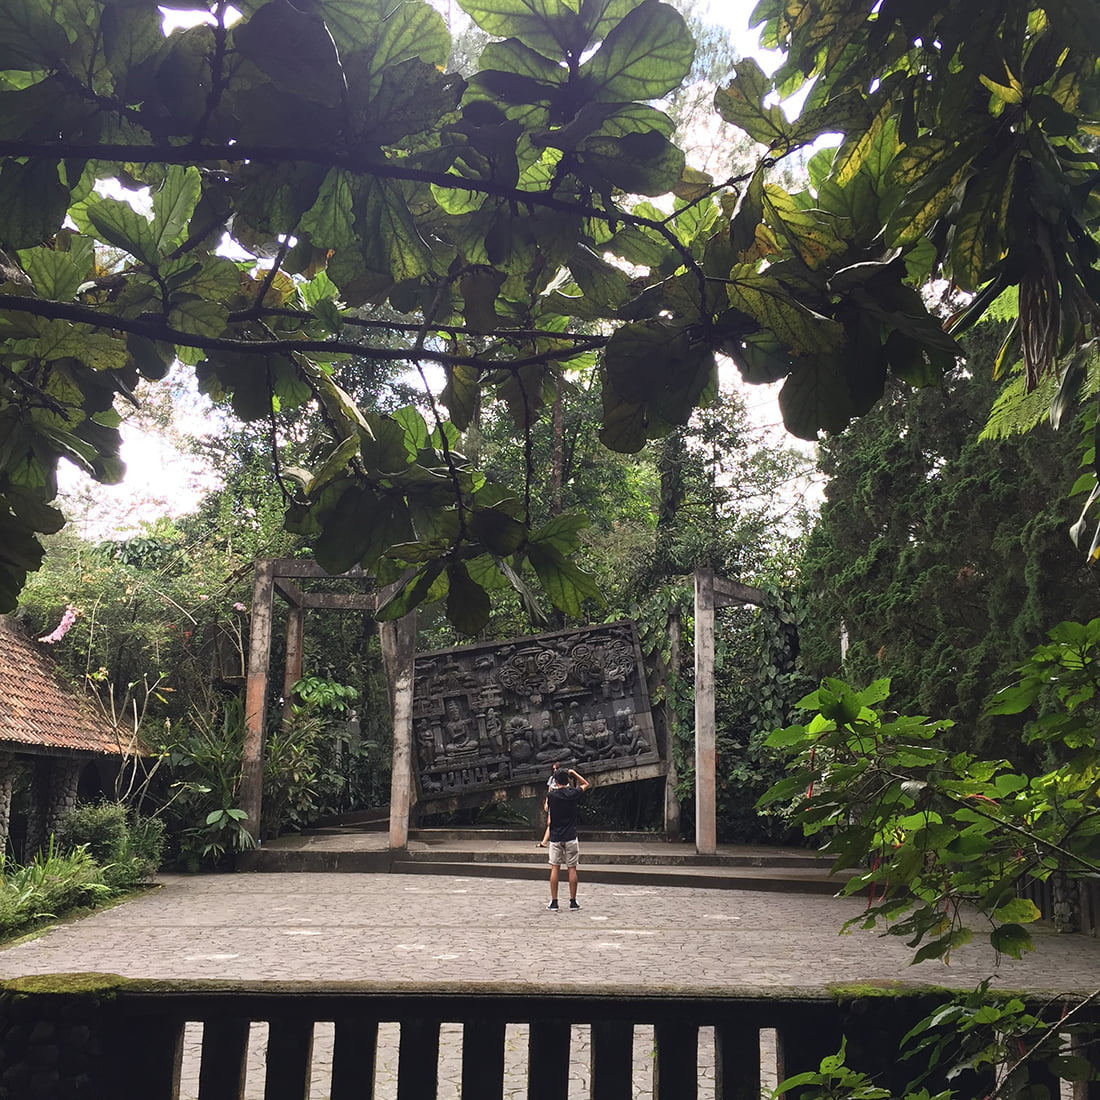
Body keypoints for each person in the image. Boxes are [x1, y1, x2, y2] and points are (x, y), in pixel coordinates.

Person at [544, 767, 590, 911]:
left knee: (554, 867)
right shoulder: (573, 794)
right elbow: (585, 784)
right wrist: (574, 773)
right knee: (572, 868)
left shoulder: (552, 795)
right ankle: (573, 901)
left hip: (556, 836)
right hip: (570, 835)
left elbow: (546, 807)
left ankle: (554, 901)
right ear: (568, 780)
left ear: (556, 781)